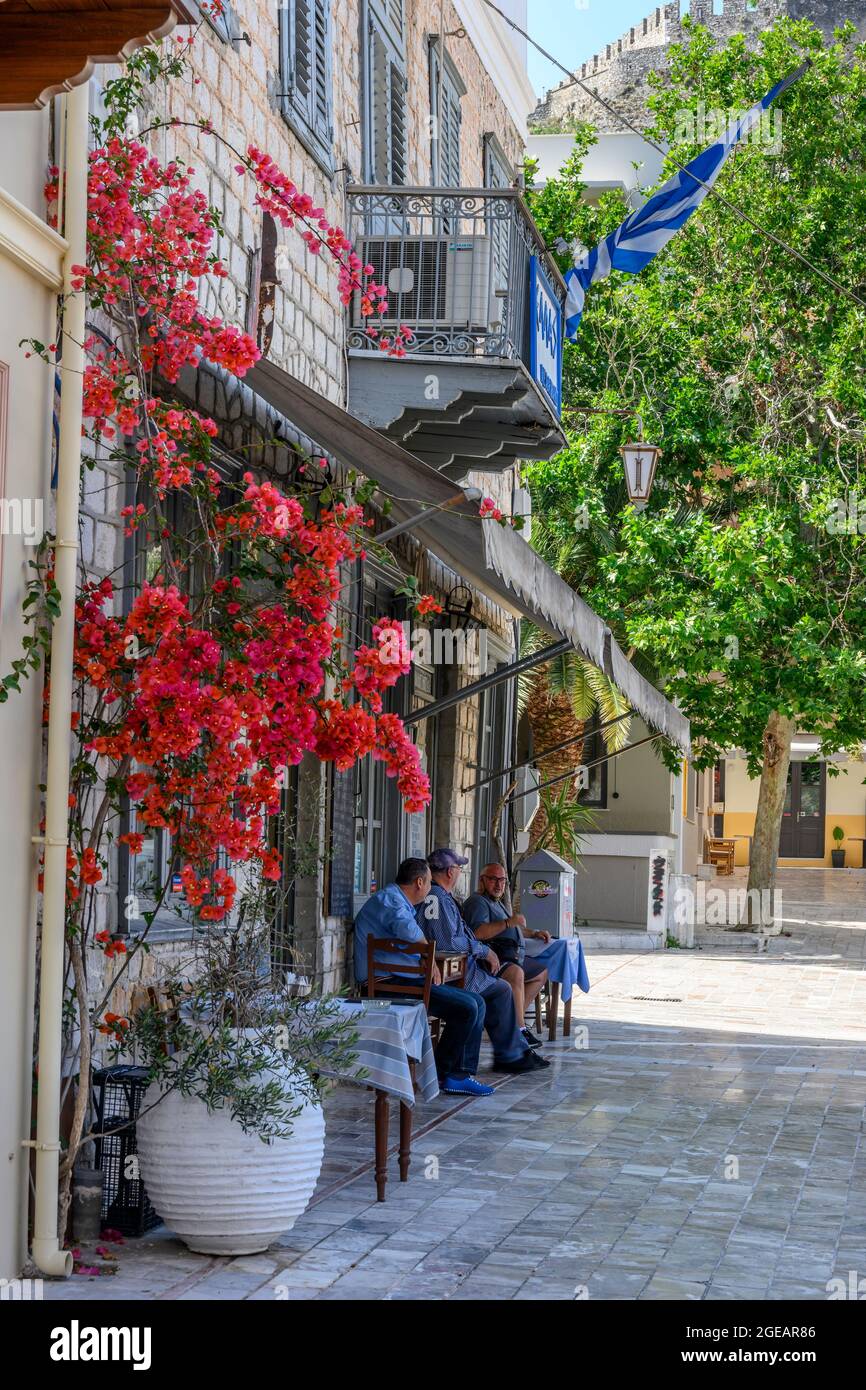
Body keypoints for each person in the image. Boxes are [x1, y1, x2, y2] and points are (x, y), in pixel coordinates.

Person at [353, 857, 495, 1098]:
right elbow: (407, 929)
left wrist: (424, 960)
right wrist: (428, 962)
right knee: (467, 1007)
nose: (431, 888)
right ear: (419, 882)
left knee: (476, 1002)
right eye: (429, 882)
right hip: (386, 985)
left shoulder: (399, 901)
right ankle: (442, 1074)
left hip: (402, 980)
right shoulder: (390, 900)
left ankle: (459, 1074)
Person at [417, 848, 549, 1075]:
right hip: (451, 971)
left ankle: (512, 1052)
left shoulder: (441, 896)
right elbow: (447, 942)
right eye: (458, 868)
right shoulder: (436, 897)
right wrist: (482, 951)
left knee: (501, 989)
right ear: (450, 872)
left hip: (456, 968)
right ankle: (509, 1055)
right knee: (500, 990)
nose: (459, 872)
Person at [463, 863, 550, 1050]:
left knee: (540, 973)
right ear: (482, 880)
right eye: (493, 879)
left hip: (512, 956)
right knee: (516, 974)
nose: (498, 884)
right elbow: (478, 932)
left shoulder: (497, 902)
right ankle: (519, 1031)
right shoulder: (478, 902)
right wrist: (509, 921)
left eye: (502, 880)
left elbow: (511, 927)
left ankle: (510, 1022)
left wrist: (533, 932)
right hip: (490, 959)